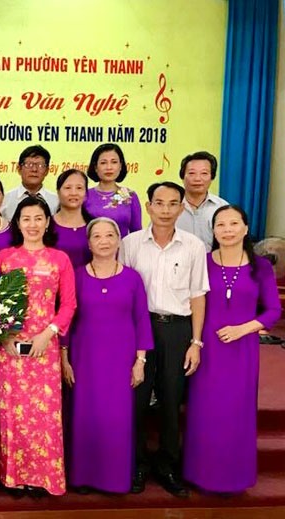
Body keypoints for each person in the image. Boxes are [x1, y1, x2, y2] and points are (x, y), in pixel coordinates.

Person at [119, 181, 209, 498]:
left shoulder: (194, 246)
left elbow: (198, 295)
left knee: (172, 397)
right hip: (138, 329)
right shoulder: (130, 244)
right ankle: (137, 464)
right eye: (159, 203)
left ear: (181, 208)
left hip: (177, 329)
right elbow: (122, 290)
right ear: (148, 207)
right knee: (137, 397)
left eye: (173, 204)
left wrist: (196, 342)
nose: (166, 210)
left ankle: (168, 464)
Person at [183, 205, 280, 494]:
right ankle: (200, 474)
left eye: (233, 223)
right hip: (206, 347)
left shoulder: (260, 266)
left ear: (246, 228)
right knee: (204, 410)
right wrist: (194, 342)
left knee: (235, 411)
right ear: (213, 231)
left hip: (241, 351)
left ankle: (234, 477)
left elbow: (273, 310)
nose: (227, 230)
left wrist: (243, 328)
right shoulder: (202, 262)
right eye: (221, 224)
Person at [63, 217, 153, 494]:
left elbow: (141, 320)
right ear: (89, 244)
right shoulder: (76, 276)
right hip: (84, 358)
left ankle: (114, 479)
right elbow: (67, 318)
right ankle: (82, 477)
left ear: (118, 241)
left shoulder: (132, 278)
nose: (104, 241)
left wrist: (140, 361)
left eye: (110, 235)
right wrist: (64, 359)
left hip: (120, 360)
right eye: (97, 236)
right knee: (83, 414)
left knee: (117, 417)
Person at [0, 197, 76, 497]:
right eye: (26, 218)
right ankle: (13, 477)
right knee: (12, 413)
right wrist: (4, 336)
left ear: (47, 222)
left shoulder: (60, 259)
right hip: (9, 348)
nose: (32, 224)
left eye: (38, 218)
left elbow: (68, 304)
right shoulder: (5, 257)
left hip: (45, 347)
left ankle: (42, 476)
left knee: (44, 414)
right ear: (17, 223)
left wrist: (47, 334)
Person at [83, 143, 142, 237]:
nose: (109, 167)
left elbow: (137, 233)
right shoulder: (85, 195)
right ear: (95, 167)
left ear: (120, 166)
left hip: (123, 246)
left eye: (114, 162)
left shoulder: (129, 195)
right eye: (103, 163)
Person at [175, 151, 229, 250]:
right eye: (191, 173)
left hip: (213, 259)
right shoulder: (169, 207)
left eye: (204, 173)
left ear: (212, 177)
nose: (197, 179)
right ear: (182, 177)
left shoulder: (222, 208)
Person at [1, 145, 59, 219]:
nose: (34, 169)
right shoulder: (5, 200)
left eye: (40, 165)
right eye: (29, 165)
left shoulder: (57, 202)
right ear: (19, 169)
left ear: (47, 171)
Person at [52, 169, 93, 268]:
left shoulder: (95, 226)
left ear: (86, 194)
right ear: (58, 192)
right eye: (68, 188)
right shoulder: (46, 225)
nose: (73, 193)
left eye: (79, 188)